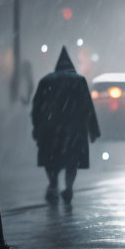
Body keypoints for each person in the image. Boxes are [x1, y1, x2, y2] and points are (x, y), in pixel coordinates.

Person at [31, 46, 100, 204]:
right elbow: (87, 107)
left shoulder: (46, 81)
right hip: (74, 129)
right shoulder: (79, 81)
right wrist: (93, 130)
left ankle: (53, 184)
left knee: (51, 159)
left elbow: (36, 107)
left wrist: (36, 127)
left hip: (50, 128)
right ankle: (68, 188)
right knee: (72, 161)